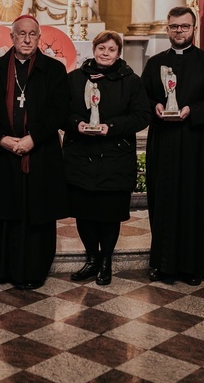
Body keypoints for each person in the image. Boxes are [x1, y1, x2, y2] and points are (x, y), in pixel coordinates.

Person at [0, 14, 69, 290]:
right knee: (5, 210)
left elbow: (59, 110)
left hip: (40, 153)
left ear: (39, 38)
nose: (27, 39)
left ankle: (34, 270)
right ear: (12, 37)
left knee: (36, 212)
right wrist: (1, 138)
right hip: (5, 153)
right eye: (21, 34)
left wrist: (33, 138)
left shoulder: (53, 69)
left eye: (32, 34)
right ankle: (0, 268)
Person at [141, 6, 204, 286]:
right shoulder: (154, 63)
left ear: (193, 29)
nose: (179, 31)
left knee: (194, 202)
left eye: (184, 26)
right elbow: (141, 98)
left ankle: (193, 266)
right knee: (162, 201)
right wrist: (153, 105)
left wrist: (192, 110)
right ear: (167, 29)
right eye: (174, 26)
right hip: (163, 142)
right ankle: (162, 264)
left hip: (195, 144)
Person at [63, 31, 150, 285]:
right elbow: (60, 112)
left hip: (115, 157)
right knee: (84, 213)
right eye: (101, 48)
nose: (105, 53)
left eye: (111, 49)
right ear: (94, 48)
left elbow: (142, 115)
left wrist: (110, 127)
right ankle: (91, 259)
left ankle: (106, 262)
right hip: (80, 156)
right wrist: (76, 123)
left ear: (118, 53)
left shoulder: (131, 81)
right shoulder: (74, 79)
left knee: (109, 214)